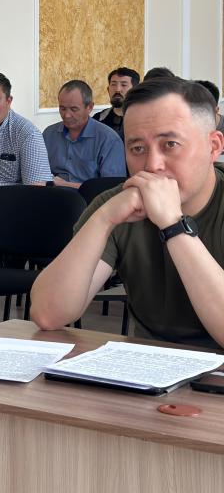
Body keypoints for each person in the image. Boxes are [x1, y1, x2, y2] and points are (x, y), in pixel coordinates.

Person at [31, 77, 224, 350]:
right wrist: (103, 219)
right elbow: (48, 314)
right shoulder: (118, 205)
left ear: (213, 146)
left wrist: (173, 225)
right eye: (137, 149)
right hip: (148, 363)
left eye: (170, 144)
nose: (152, 165)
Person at [43, 80, 125, 187]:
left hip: (90, 197)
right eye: (62, 108)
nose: (67, 115)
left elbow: (111, 188)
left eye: (74, 109)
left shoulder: (109, 140)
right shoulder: (49, 134)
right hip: (50, 194)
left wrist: (65, 184)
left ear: (89, 107)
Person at [93, 67, 140, 139]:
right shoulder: (98, 119)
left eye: (124, 85)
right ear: (108, 89)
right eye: (113, 84)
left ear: (135, 90)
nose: (117, 89)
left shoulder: (145, 120)